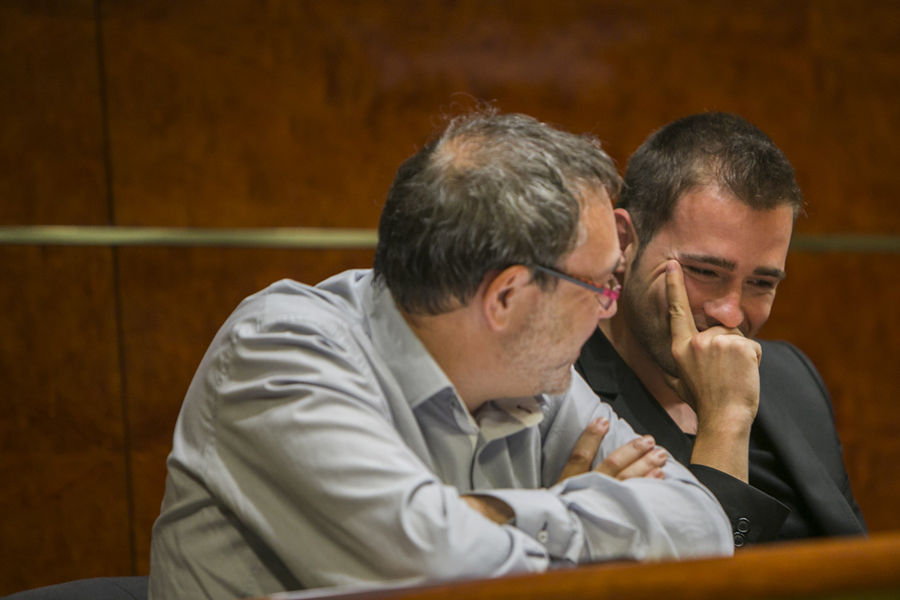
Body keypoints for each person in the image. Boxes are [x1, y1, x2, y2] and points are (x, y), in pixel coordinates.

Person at [148, 110, 732, 599]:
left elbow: (703, 528)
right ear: (507, 297)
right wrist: (580, 517)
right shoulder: (279, 356)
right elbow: (441, 568)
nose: (609, 309)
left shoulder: (531, 378)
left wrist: (511, 513)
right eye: (602, 286)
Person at [575, 112, 867, 548]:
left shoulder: (789, 374)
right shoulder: (563, 394)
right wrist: (725, 423)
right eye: (705, 271)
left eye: (762, 283)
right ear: (623, 241)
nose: (731, 314)